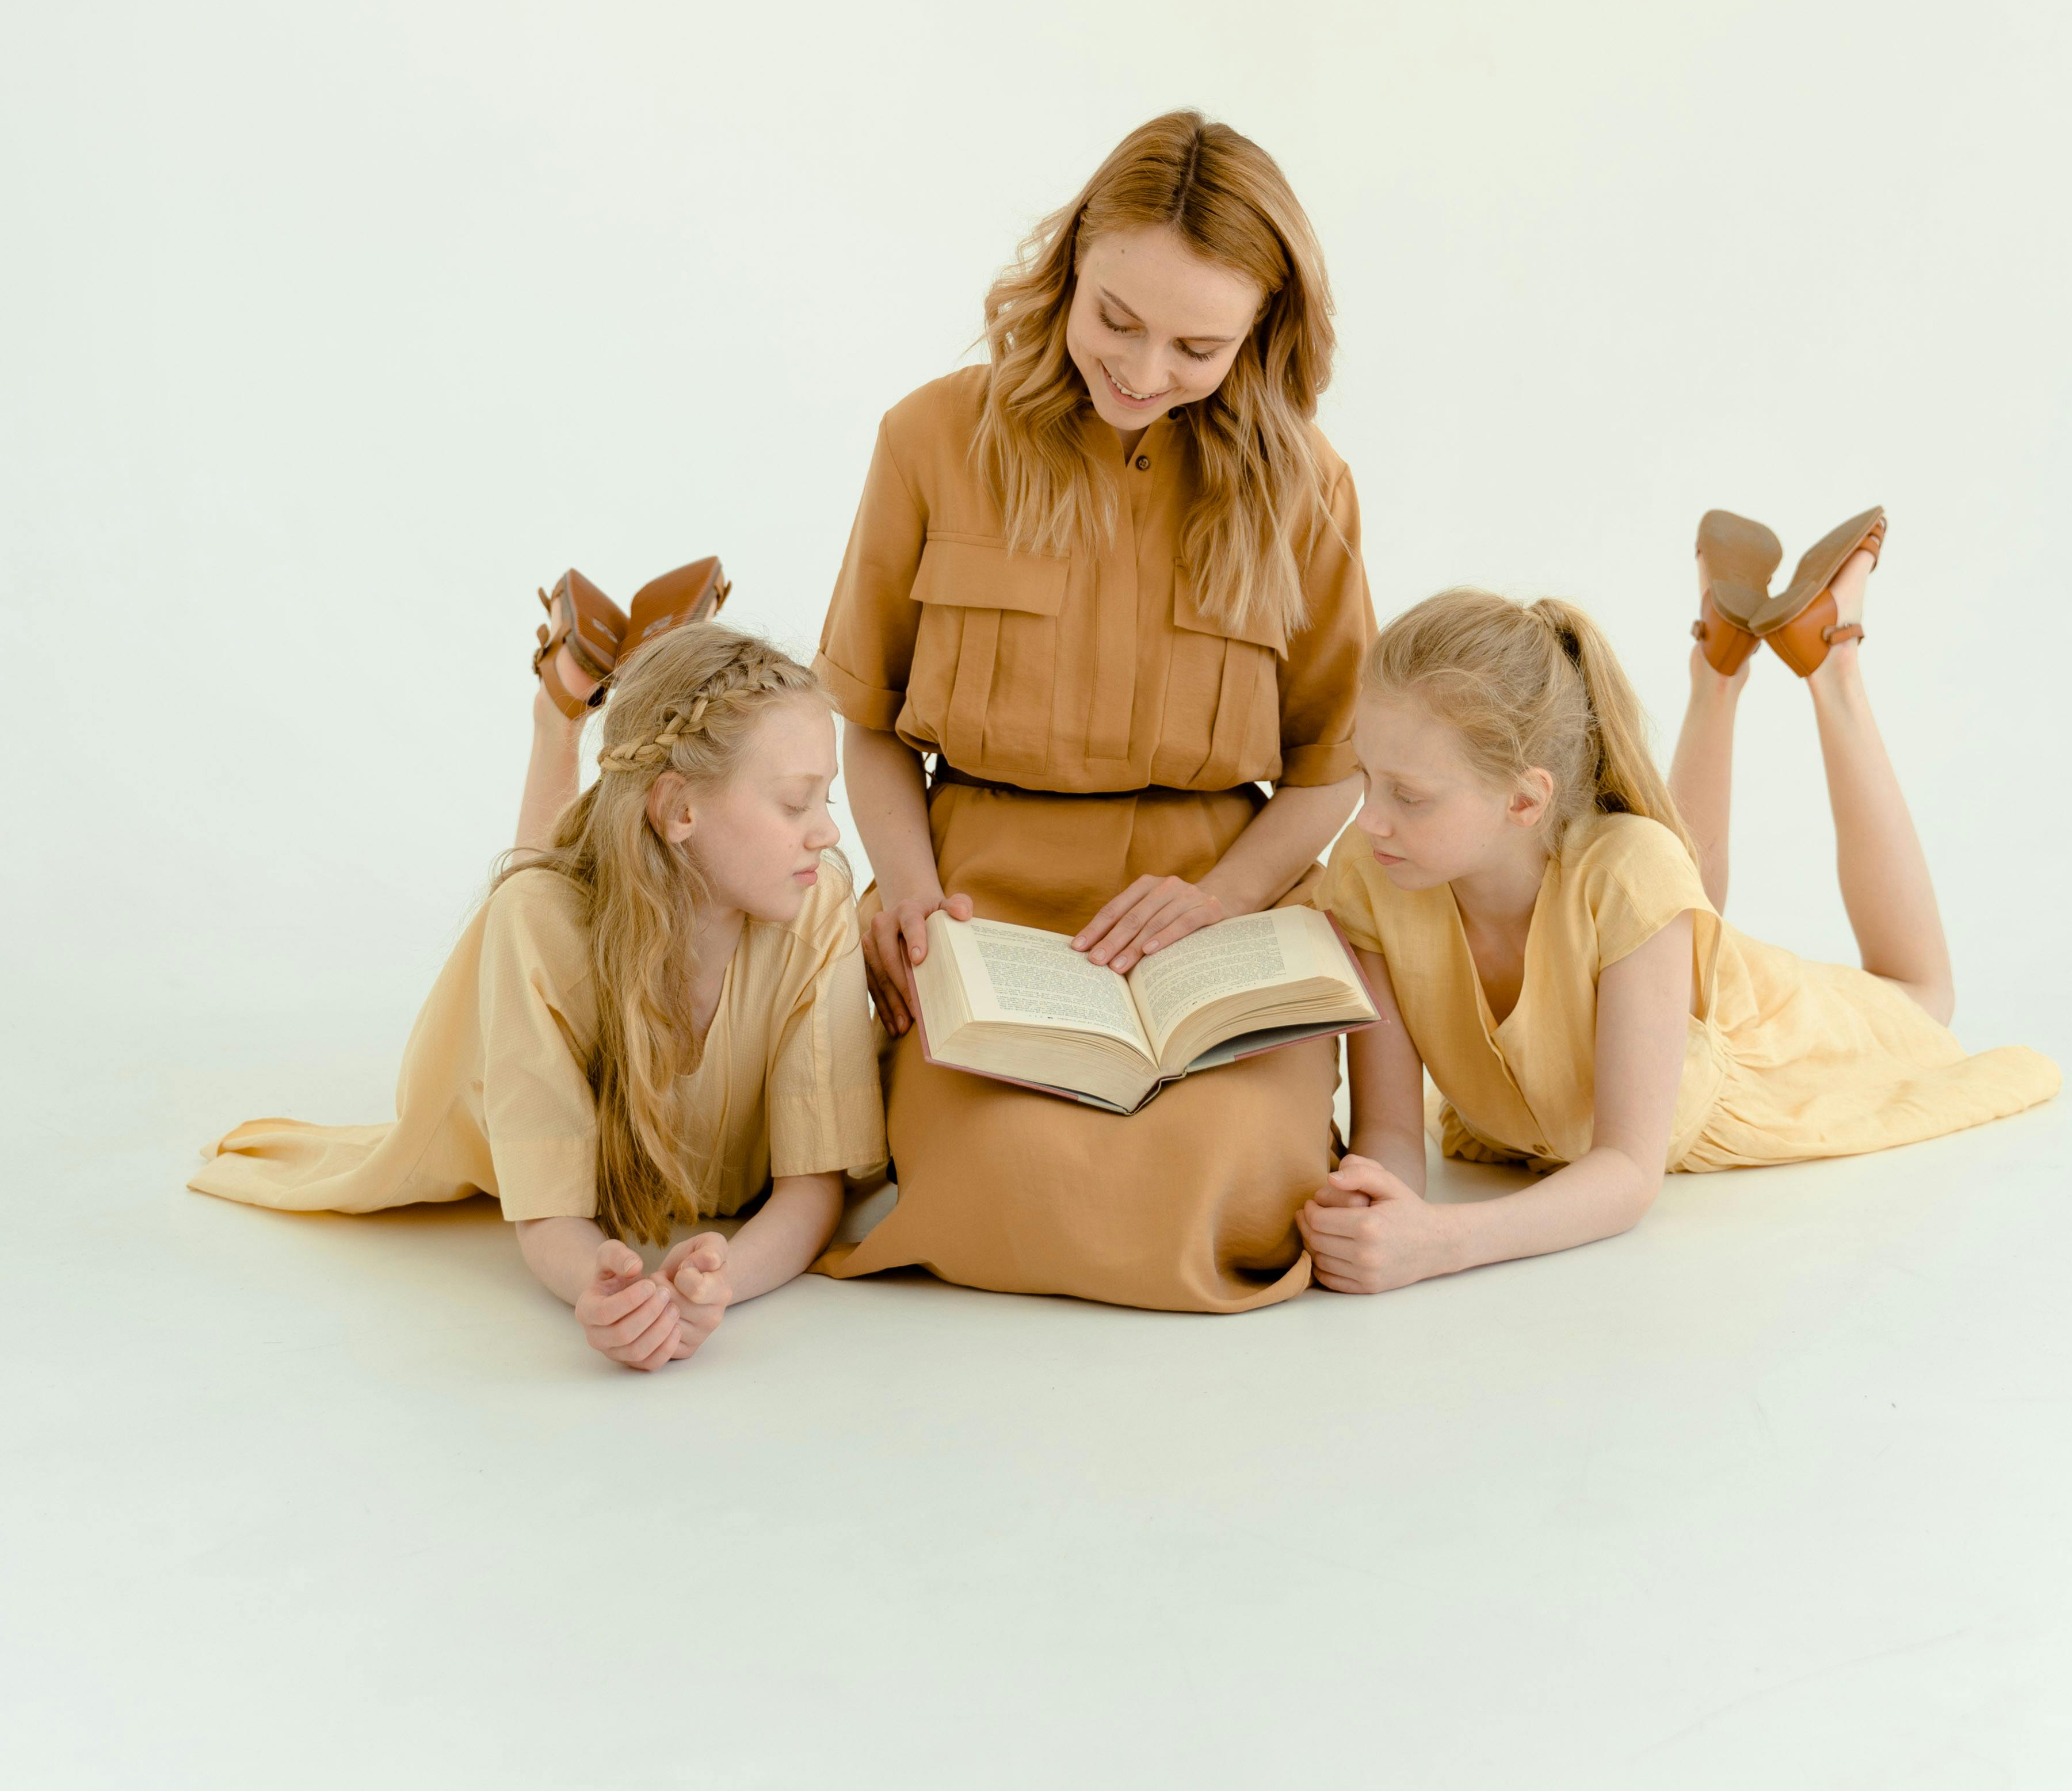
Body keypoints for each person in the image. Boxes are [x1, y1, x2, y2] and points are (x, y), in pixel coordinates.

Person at [816, 109, 1373, 1311]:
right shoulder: (927, 439)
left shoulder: (1309, 486)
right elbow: (864, 716)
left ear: (1262, 337)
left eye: (1197, 345)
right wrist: (908, 893)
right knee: (1004, 1181)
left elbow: (1335, 762)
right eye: (1115, 318)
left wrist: (1217, 896)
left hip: (1213, 917)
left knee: (1231, 1181)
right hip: (985, 910)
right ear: (1068, 263)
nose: (1142, 369)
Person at [1299, 514, 2059, 1293]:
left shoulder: (1626, 875)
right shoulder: (1372, 876)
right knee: (1659, 885)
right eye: (1366, 777)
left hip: (1757, 1049)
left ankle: (1832, 665)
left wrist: (1443, 1243)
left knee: (1922, 999)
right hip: (1632, 936)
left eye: (1409, 796)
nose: (1370, 821)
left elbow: (1627, 1171)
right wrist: (1373, 1209)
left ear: (1524, 801)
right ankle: (1720, 665)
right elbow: (1389, 1130)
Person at [190, 616, 886, 1370]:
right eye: (795, 804)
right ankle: (558, 718)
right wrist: (603, 1289)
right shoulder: (534, 928)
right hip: (554, 934)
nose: (826, 834)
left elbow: (812, 1190)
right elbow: (549, 1210)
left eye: (829, 801)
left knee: (556, 894)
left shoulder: (819, 907)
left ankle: (568, 706)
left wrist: (717, 1285)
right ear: (681, 808)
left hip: (630, 874)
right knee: (536, 898)